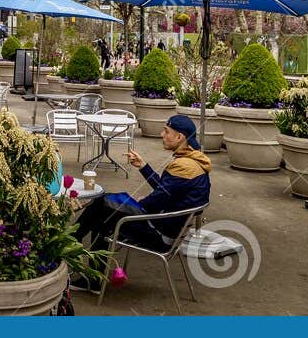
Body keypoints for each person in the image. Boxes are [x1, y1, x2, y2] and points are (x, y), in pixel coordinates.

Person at [74, 114, 212, 273]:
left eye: (166, 131)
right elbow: (166, 191)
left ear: (179, 137)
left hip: (160, 236)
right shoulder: (194, 161)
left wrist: (142, 201)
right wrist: (143, 166)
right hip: (168, 228)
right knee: (104, 206)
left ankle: (72, 246)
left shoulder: (183, 167)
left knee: (102, 208)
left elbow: (153, 204)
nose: (162, 135)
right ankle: (88, 269)